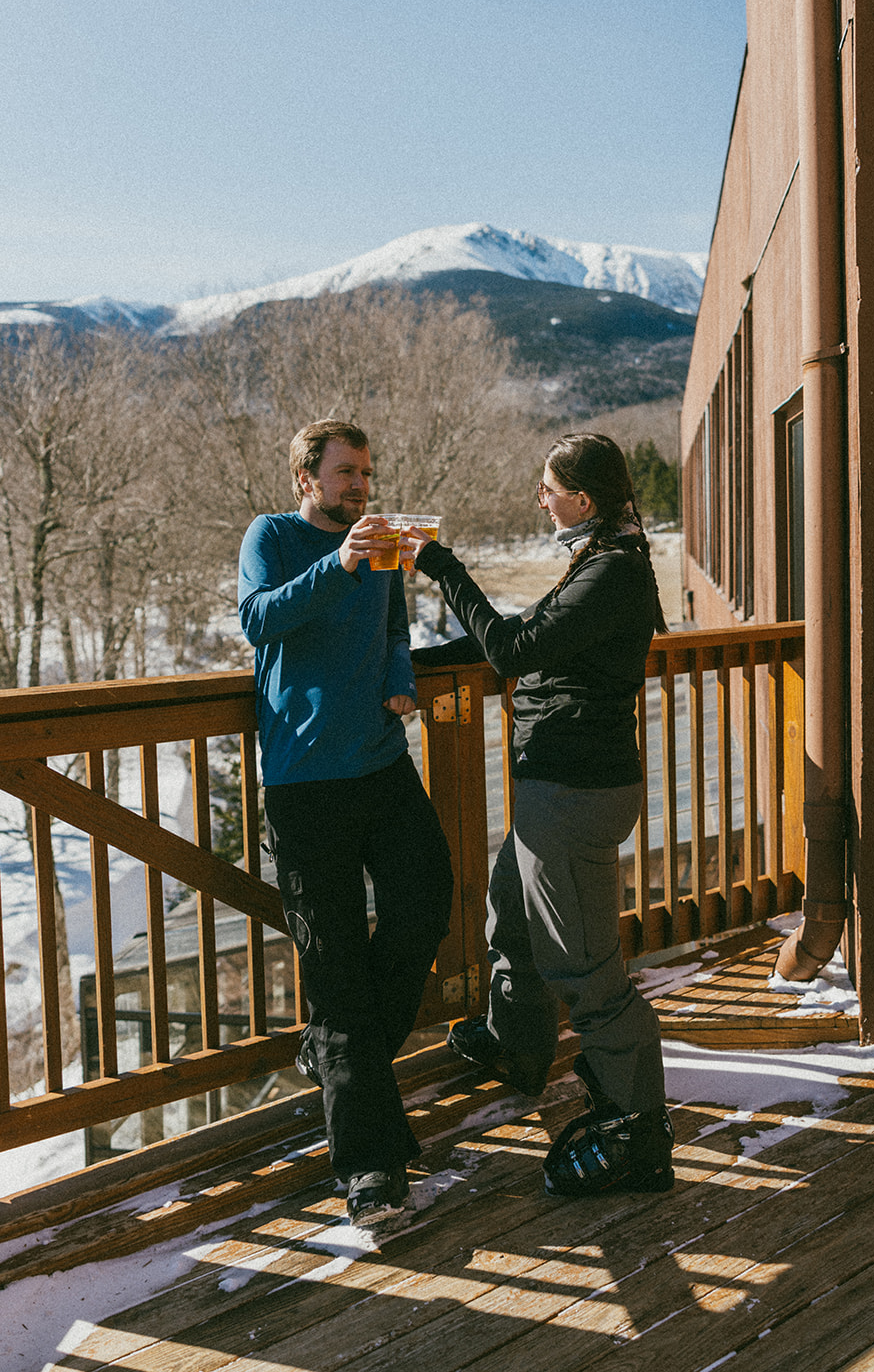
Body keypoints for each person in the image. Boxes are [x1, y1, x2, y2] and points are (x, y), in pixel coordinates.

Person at [403, 432, 674, 1197]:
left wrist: (441, 566)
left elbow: (514, 649)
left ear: (580, 501)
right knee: (510, 922)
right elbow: (530, 644)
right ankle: (515, 1047)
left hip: (575, 795)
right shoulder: (601, 563)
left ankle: (638, 1131)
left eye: (546, 488)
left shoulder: (613, 574)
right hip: (554, 788)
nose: (539, 498)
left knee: (586, 972)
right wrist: (407, 666)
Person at [238, 418, 454, 1227]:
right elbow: (259, 619)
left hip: (380, 761)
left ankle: (337, 1062)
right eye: (344, 473)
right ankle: (369, 1168)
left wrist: (400, 680)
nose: (360, 485)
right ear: (307, 480)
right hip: (304, 782)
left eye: (365, 471)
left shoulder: (385, 545)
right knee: (332, 966)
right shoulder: (272, 536)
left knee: (425, 902)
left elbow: (394, 629)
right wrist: (339, 562)